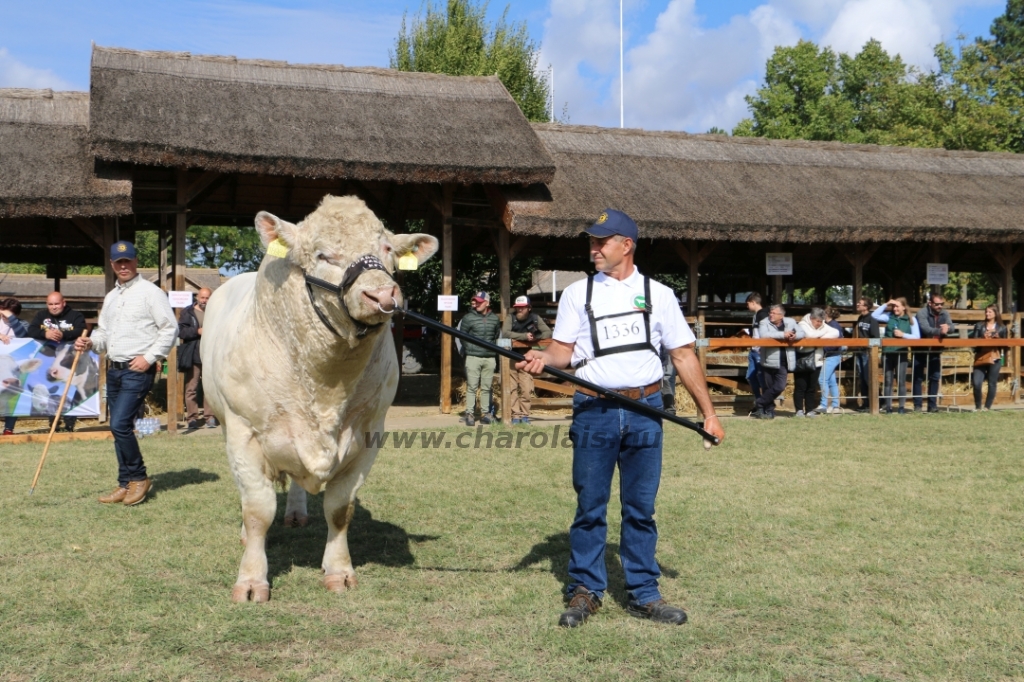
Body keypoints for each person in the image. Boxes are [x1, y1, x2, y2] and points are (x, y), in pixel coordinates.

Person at [517, 208, 724, 629]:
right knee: (590, 506)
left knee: (640, 509)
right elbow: (563, 351)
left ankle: (644, 593)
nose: (593, 249)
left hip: (646, 412)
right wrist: (543, 357)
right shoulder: (579, 294)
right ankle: (586, 590)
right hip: (593, 411)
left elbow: (683, 354)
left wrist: (710, 414)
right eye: (592, 242)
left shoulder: (659, 294)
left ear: (626, 245)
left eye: (601, 241)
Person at [75, 241, 178, 506]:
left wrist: (150, 357)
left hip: (136, 369)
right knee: (118, 426)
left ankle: (140, 478)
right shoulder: (111, 297)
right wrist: (90, 343)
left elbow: (170, 329)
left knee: (120, 424)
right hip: (115, 369)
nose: (123, 266)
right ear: (111, 264)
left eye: (128, 261)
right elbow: (103, 334)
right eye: (118, 262)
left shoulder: (151, 293)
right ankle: (125, 483)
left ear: (135, 262)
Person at [26, 291, 87, 432]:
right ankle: (53, 422)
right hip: (48, 361)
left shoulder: (75, 315)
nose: (53, 307)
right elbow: (31, 330)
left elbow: (82, 330)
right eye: (50, 304)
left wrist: (64, 334)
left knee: (70, 391)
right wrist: (45, 334)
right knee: (49, 391)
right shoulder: (41, 316)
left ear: (63, 303)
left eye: (56, 304)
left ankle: (70, 424)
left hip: (69, 361)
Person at [501, 295, 551, 425]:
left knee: (526, 388)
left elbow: (547, 332)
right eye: (517, 308)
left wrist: (535, 337)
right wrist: (523, 336)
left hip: (528, 357)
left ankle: (524, 415)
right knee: (511, 388)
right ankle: (515, 415)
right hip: (511, 356)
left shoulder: (535, 318)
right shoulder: (510, 318)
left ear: (529, 308)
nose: (519, 310)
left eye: (522, 308)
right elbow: (505, 333)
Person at [751, 304, 804, 420]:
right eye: (770, 312)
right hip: (768, 359)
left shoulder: (790, 322)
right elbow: (764, 335)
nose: (770, 315)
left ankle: (759, 403)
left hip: (784, 361)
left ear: (781, 315)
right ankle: (769, 412)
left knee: (780, 387)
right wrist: (783, 335)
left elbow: (802, 333)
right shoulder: (764, 322)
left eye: (773, 313)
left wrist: (794, 336)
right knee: (768, 387)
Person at [178, 287, 218, 429]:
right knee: (191, 388)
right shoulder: (187, 312)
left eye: (207, 298)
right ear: (197, 297)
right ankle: (192, 418)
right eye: (202, 298)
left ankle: (210, 417)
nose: (204, 301)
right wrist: (197, 331)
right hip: (193, 354)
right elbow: (181, 331)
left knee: (209, 389)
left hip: (210, 355)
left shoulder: (216, 312)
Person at [460, 291, 501, 426]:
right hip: (473, 357)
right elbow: (462, 336)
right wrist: (470, 349)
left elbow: (496, 336)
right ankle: (469, 414)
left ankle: (486, 413)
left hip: (489, 357)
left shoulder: (494, 319)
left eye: (479, 302)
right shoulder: (468, 318)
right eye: (475, 301)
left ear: (487, 303)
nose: (476, 304)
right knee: (471, 386)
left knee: (487, 387)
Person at [872, 298, 920, 414]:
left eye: (897, 306)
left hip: (901, 353)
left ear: (904, 307)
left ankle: (901, 407)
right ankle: (888, 406)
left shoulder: (911, 319)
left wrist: (903, 335)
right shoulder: (889, 316)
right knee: (888, 380)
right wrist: (886, 304)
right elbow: (874, 315)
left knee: (901, 380)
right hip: (888, 353)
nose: (895, 309)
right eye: (894, 306)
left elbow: (917, 336)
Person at [913, 292, 955, 413]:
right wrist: (941, 331)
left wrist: (948, 329)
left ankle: (932, 405)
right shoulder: (922, 313)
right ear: (930, 303)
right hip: (920, 348)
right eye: (937, 304)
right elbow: (925, 328)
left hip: (935, 350)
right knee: (918, 378)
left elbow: (952, 327)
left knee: (935, 378)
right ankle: (918, 405)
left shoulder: (944, 313)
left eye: (941, 304)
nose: (939, 306)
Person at [795, 308, 838, 417]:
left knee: (811, 387)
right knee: (800, 386)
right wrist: (821, 335)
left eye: (821, 321)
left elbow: (836, 332)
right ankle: (799, 410)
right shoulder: (802, 324)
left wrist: (819, 337)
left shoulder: (822, 324)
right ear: (811, 318)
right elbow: (810, 335)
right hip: (802, 359)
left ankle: (809, 410)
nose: (819, 324)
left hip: (817, 361)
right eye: (817, 321)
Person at [970, 304, 1007, 411]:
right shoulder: (979, 325)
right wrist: (983, 338)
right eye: (986, 312)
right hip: (981, 356)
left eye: (990, 312)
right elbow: (973, 342)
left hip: (995, 356)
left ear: (995, 313)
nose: (987, 314)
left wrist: (998, 339)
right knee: (977, 382)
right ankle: (978, 406)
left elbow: (1006, 344)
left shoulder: (1002, 327)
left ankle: (987, 407)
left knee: (992, 383)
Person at [1, 297, 29, 436]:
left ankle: (8, 428)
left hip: (11, 368)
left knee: (11, 397)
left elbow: (24, 335)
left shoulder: (22, 324)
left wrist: (12, 319)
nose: (4, 317)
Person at [817, 306, 845, 415]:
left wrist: (821, 347)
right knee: (832, 381)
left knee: (822, 379)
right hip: (832, 355)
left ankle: (823, 404)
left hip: (832, 355)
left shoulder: (834, 326)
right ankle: (835, 405)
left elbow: (835, 344)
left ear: (825, 314)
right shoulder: (831, 325)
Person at [853, 297, 880, 411]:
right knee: (862, 378)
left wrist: (869, 347)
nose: (858, 304)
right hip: (859, 351)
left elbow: (876, 337)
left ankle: (877, 401)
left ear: (866, 306)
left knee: (869, 378)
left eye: (860, 303)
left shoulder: (872, 319)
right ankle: (865, 403)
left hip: (868, 352)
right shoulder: (860, 318)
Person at [745, 293, 769, 400]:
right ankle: (759, 401)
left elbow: (764, 332)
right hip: (754, 349)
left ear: (753, 302)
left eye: (748, 304)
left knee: (761, 377)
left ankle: (763, 402)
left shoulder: (762, 315)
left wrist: (762, 346)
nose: (747, 306)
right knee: (751, 376)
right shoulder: (757, 315)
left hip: (759, 350)